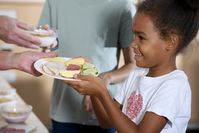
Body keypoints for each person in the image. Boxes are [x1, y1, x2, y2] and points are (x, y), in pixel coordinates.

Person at [65, 0, 199, 132]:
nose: (133, 44)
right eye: (134, 35)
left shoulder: (174, 85)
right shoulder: (136, 74)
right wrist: (94, 88)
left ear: (171, 41)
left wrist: (102, 92)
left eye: (141, 37)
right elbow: (106, 122)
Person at [39, 0, 136, 132]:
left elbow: (134, 66)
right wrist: (43, 44)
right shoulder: (54, 2)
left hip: (105, 110)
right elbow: (45, 48)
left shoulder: (123, 5)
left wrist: (102, 80)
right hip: (64, 111)